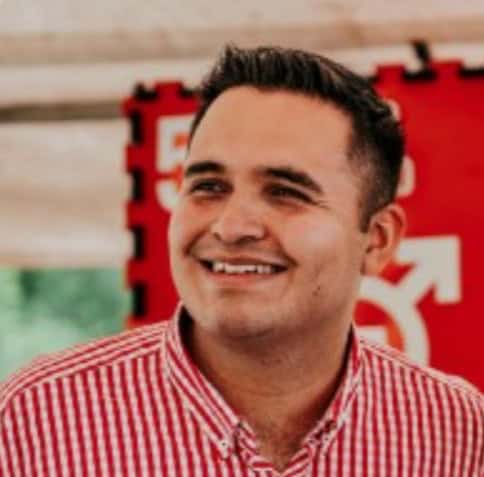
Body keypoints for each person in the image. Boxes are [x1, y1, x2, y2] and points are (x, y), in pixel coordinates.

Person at [1, 45, 483, 477]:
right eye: (209, 186)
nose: (231, 227)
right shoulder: (38, 423)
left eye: (285, 192)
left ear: (377, 241)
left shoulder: (459, 437)